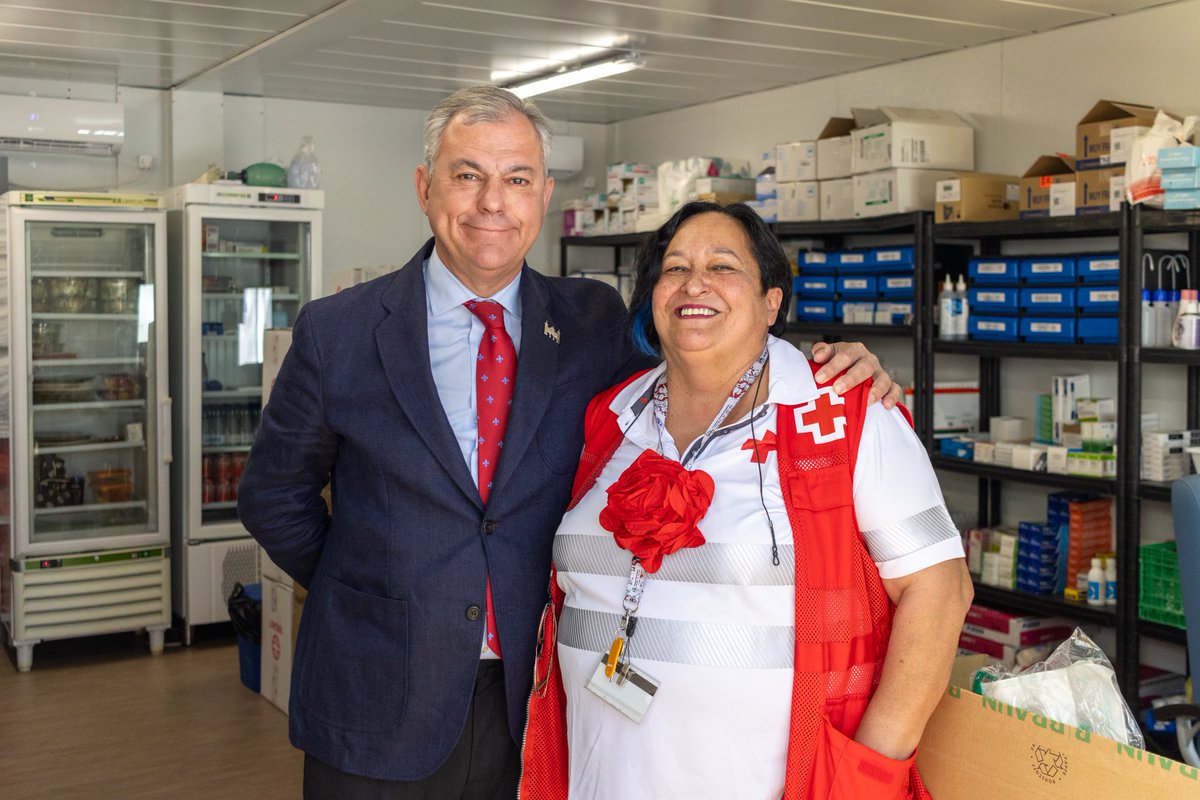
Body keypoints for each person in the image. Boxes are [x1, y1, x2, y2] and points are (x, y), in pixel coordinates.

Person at [237, 85, 901, 799]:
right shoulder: (339, 330)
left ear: (544, 194)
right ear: (425, 187)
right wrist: (371, 581)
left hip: (542, 693)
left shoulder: (591, 319)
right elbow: (275, 496)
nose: (494, 201)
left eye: (517, 179)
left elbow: (699, 364)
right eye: (468, 175)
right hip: (375, 692)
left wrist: (818, 364)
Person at [519, 201, 974, 799]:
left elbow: (939, 592)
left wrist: (869, 775)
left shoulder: (844, 415)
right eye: (675, 268)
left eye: (723, 266)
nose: (694, 283)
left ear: (771, 301)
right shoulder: (611, 417)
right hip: (603, 774)